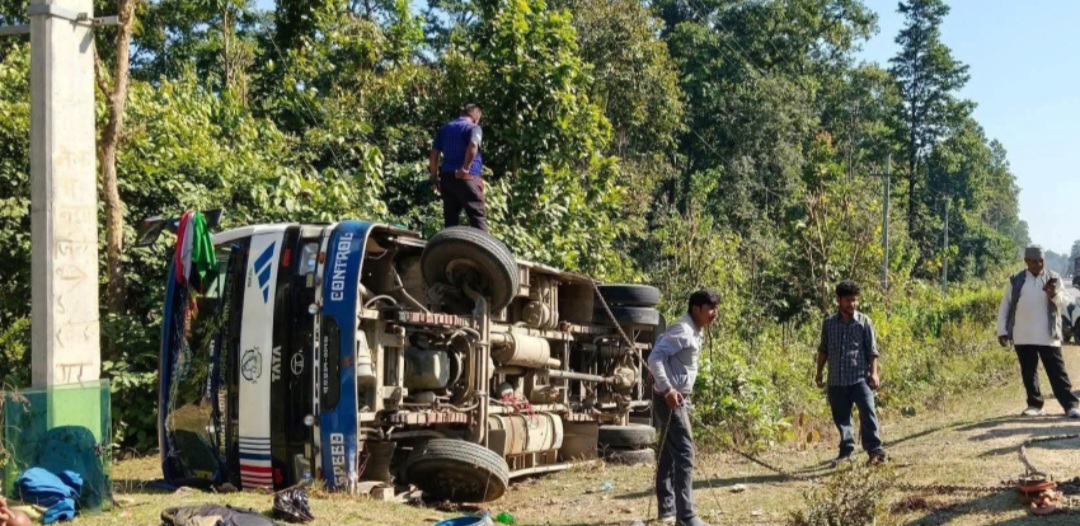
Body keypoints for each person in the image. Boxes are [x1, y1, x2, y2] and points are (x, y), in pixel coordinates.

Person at [646, 289, 719, 526]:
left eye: (715, 308)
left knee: (669, 453)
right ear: (696, 309)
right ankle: (686, 517)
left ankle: (667, 509)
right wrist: (667, 389)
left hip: (679, 397)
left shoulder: (695, 331)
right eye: (710, 309)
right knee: (685, 452)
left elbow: (661, 346)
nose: (714, 314)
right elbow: (655, 357)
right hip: (670, 399)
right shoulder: (683, 330)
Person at [996, 244, 1080, 418]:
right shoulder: (1016, 280)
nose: (1038, 264)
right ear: (1026, 262)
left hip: (1048, 336)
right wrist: (1002, 331)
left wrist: (1054, 294)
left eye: (1041, 261)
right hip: (1023, 335)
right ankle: (1035, 405)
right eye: (1034, 261)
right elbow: (1005, 306)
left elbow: (1066, 302)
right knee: (1029, 372)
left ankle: (1070, 405)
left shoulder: (1054, 278)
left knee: (1057, 373)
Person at [815, 280, 886, 466]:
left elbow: (872, 351)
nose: (851, 304)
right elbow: (824, 350)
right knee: (842, 418)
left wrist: (874, 373)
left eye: (855, 300)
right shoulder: (829, 324)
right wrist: (819, 373)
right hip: (836, 380)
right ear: (838, 300)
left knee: (868, 412)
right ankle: (846, 452)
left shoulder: (864, 322)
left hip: (859, 378)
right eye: (848, 300)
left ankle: (875, 452)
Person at [429, 104, 488, 231]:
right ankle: (480, 250)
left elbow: (434, 154)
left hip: (447, 179)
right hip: (467, 177)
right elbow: (473, 144)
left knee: (450, 222)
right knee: (478, 220)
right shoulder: (474, 128)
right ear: (475, 118)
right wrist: (465, 168)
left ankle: (451, 250)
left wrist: (434, 178)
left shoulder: (445, 129)